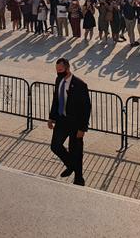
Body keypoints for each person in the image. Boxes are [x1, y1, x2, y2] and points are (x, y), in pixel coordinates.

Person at [48, 58, 92, 186]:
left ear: (67, 68)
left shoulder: (80, 85)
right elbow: (56, 100)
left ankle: (79, 179)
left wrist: (82, 128)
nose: (58, 73)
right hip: (62, 120)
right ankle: (71, 165)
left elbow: (86, 107)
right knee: (55, 146)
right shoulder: (58, 80)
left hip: (75, 123)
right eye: (57, 70)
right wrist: (51, 118)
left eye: (60, 70)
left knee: (76, 151)